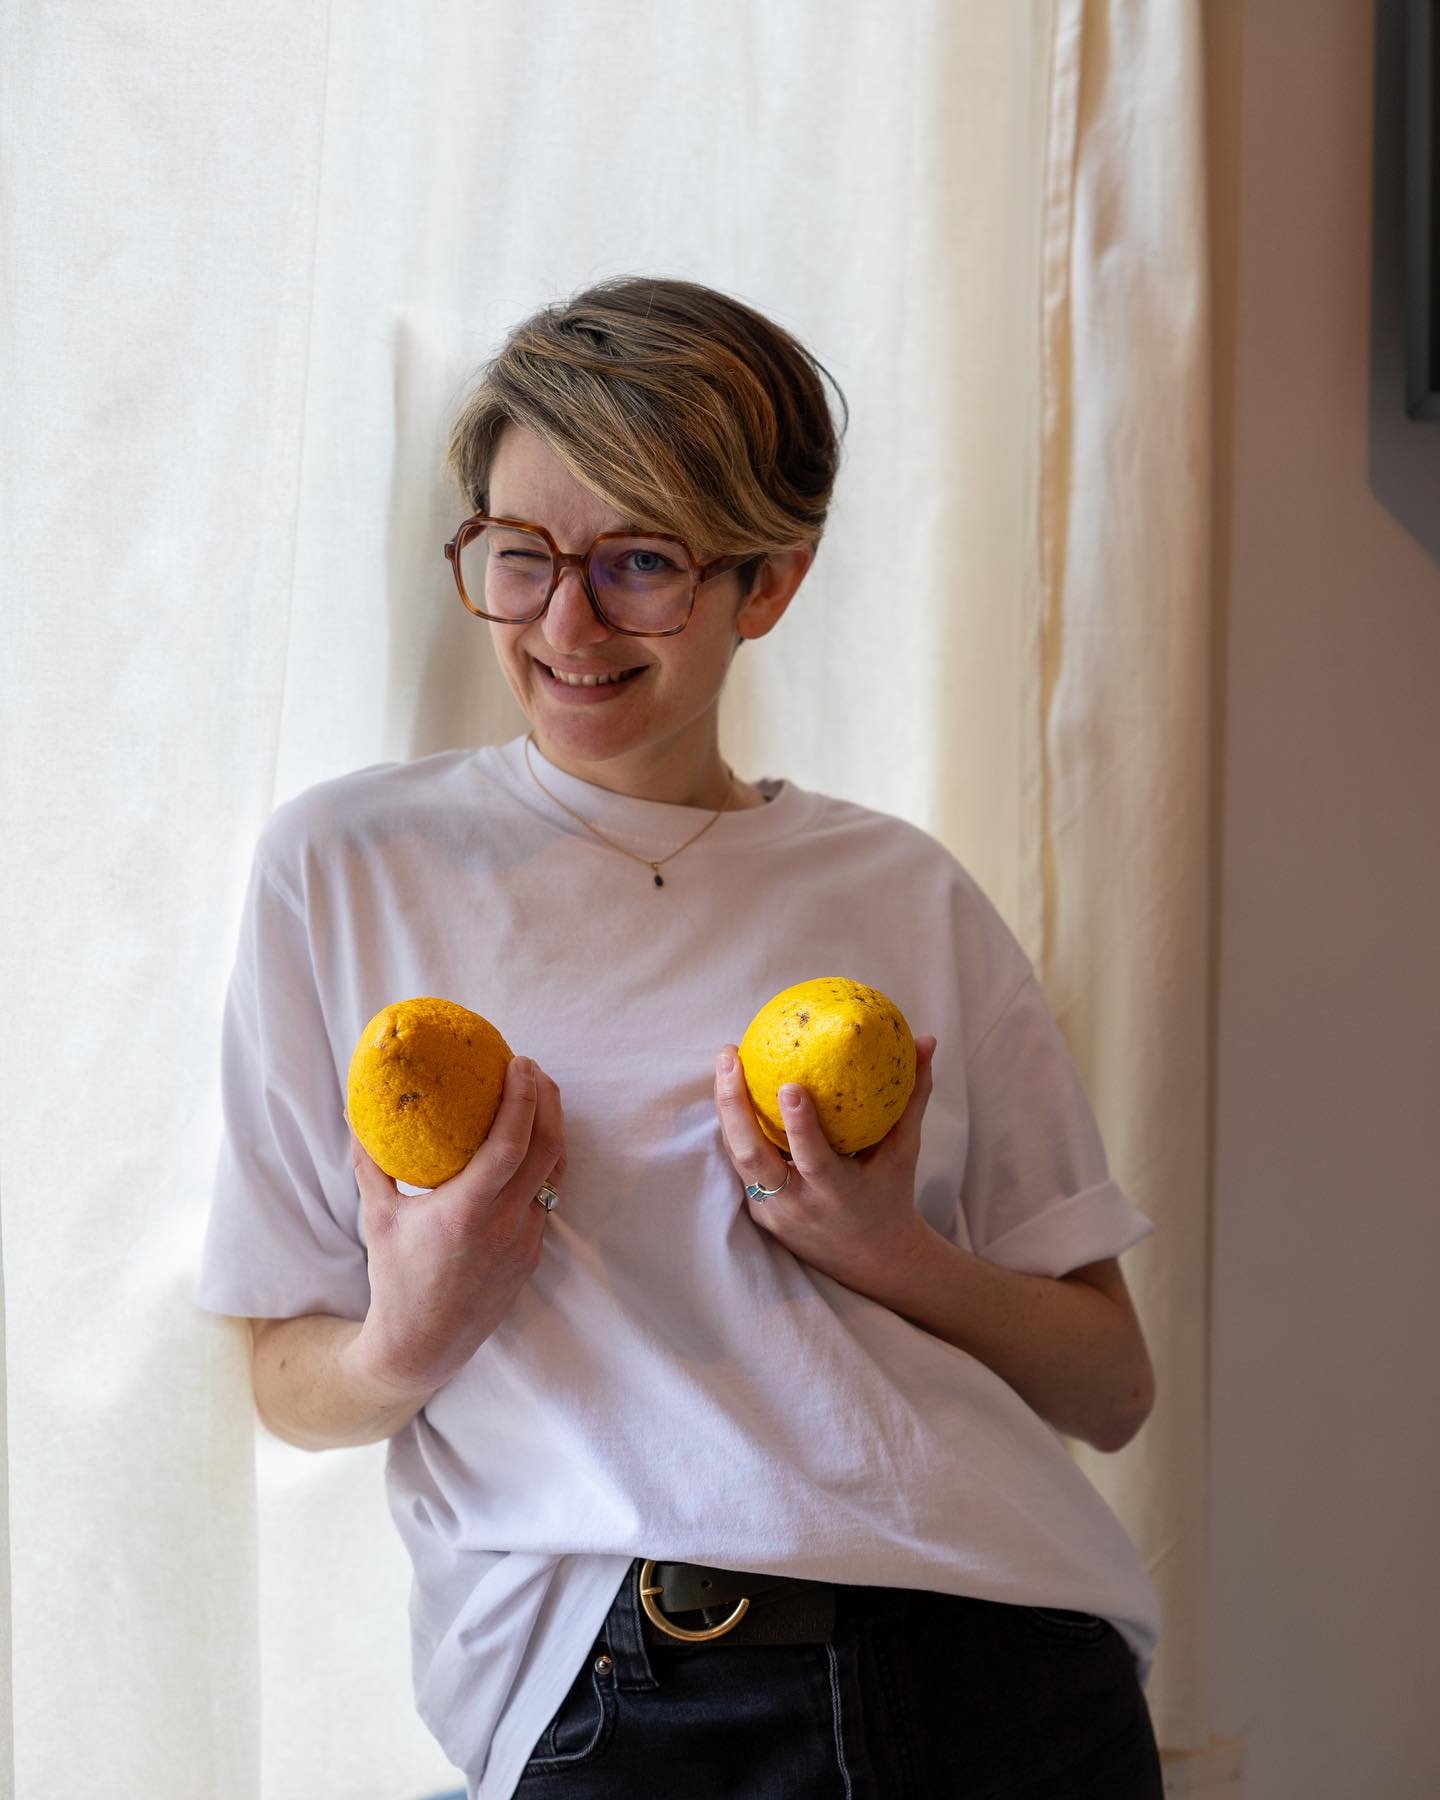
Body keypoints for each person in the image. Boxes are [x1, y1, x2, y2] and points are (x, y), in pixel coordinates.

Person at [197, 275, 1164, 1799]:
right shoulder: (346, 865)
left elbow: (1109, 1386)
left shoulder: (904, 892)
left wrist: (885, 1250)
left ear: (766, 582)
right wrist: (418, 1325)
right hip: (630, 1681)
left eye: (639, 563)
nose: (566, 624)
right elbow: (283, 1373)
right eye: (522, 559)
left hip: (1010, 1669)